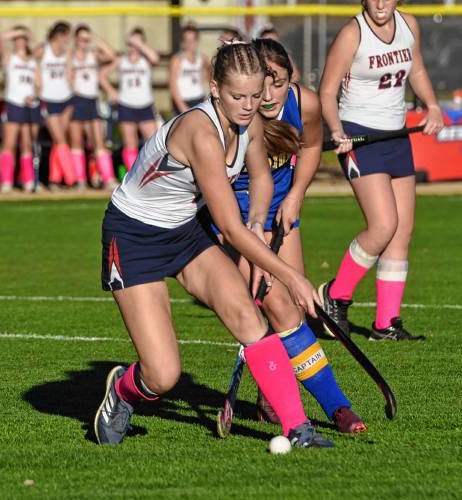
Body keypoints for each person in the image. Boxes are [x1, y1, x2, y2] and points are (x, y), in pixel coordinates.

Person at [94, 42, 332, 449]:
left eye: (256, 96)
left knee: (248, 317)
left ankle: (299, 429)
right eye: (238, 97)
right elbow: (227, 226)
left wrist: (258, 223)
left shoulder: (250, 122)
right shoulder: (201, 133)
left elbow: (260, 178)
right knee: (162, 376)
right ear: (214, 88)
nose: (248, 105)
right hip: (135, 237)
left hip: (184, 230)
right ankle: (122, 392)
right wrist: (292, 277)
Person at [221, 38, 366, 433]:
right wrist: (253, 235)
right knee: (276, 304)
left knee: (295, 311)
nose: (268, 96)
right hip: (234, 217)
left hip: (282, 211)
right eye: (261, 83)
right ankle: (334, 405)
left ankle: (273, 396)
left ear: (291, 78)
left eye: (278, 82)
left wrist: (298, 194)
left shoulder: (305, 103)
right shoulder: (235, 116)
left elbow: (313, 144)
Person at [317, 0, 444, 340]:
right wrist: (335, 130)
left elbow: (416, 70)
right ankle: (335, 295)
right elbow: (327, 91)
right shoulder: (352, 33)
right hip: (359, 136)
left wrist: (432, 106)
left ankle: (386, 323)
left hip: (396, 134)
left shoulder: (409, 25)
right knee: (383, 225)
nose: (380, 3)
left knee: (401, 231)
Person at [100, 27, 160, 179]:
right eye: (130, 43)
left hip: (145, 105)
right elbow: (101, 76)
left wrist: (139, 44)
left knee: (155, 144)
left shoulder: (145, 60)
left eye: (136, 43)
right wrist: (111, 91)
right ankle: (135, 177)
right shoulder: (122, 60)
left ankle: (155, 176)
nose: (132, 46)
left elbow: (155, 59)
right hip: (126, 105)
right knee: (130, 145)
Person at [68, 24, 118, 190]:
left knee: (98, 141)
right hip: (76, 100)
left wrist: (97, 40)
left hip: (91, 100)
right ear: (75, 39)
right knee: (76, 142)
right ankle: (80, 180)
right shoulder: (70, 56)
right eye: (81, 39)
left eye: (86, 39)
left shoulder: (93, 55)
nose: (84, 42)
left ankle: (108, 178)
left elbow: (111, 56)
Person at [34, 21, 75, 190]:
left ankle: (54, 179)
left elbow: (69, 72)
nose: (68, 40)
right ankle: (71, 177)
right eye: (67, 36)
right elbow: (29, 63)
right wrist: (37, 85)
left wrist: (72, 88)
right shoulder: (43, 50)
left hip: (65, 97)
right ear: (59, 35)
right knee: (59, 139)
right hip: (48, 98)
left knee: (60, 141)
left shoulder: (67, 53)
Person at [0, 26, 40, 193]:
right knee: (9, 144)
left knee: (27, 145)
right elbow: (2, 37)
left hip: (28, 106)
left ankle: (28, 180)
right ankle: (5, 180)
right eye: (16, 39)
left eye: (22, 38)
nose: (19, 41)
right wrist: (19, 32)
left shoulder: (32, 61)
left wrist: (34, 95)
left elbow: (38, 84)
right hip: (13, 103)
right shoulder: (10, 57)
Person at [168, 24, 211, 114]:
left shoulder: (202, 58)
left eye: (192, 39)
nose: (190, 42)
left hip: (199, 99)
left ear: (197, 40)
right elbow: (172, 86)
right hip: (183, 101)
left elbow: (210, 76)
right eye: (186, 39)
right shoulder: (177, 59)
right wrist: (182, 106)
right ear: (183, 41)